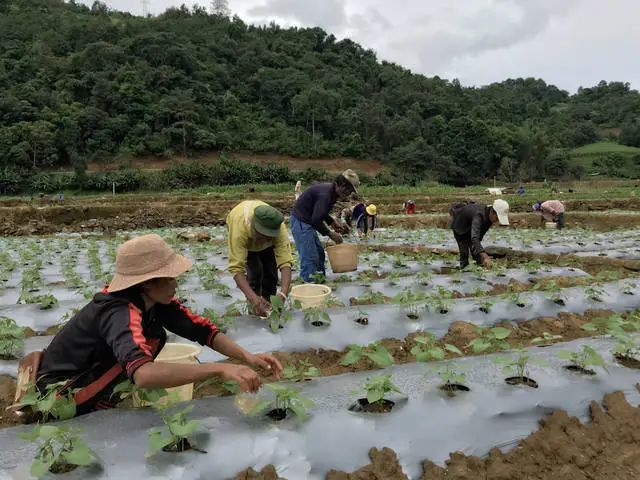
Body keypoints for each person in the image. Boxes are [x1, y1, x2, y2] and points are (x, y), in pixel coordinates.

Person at [35, 234, 283, 417]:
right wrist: (218, 369)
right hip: (61, 393)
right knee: (140, 356)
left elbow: (202, 330)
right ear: (147, 283)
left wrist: (247, 357)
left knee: (152, 337)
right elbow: (143, 375)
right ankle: (89, 412)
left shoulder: (154, 301)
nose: (176, 283)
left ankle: (103, 404)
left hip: (90, 377)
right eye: (170, 277)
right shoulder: (119, 311)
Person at [290, 169, 360, 282]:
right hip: (301, 222)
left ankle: (320, 282)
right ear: (342, 186)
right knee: (310, 258)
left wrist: (332, 222)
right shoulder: (326, 194)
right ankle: (309, 288)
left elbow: (320, 212)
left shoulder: (332, 193)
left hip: (307, 222)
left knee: (319, 254)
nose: (348, 194)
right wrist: (331, 234)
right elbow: (316, 220)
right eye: (349, 190)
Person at [226, 201, 293, 316]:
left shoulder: (278, 227)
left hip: (267, 247)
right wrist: (254, 299)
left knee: (271, 276)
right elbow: (236, 269)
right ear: (254, 226)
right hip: (248, 245)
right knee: (255, 274)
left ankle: (270, 309)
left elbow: (285, 261)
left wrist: (283, 294)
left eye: (269, 237)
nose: (265, 240)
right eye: (262, 236)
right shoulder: (239, 229)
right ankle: (255, 310)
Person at [450, 199, 510, 269]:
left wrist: (479, 252)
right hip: (460, 227)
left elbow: (479, 235)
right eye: (497, 218)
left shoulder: (489, 218)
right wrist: (484, 255)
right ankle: (463, 270)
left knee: (477, 254)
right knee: (464, 254)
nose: (497, 221)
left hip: (471, 227)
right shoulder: (479, 215)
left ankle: (480, 269)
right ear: (493, 212)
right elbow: (474, 238)